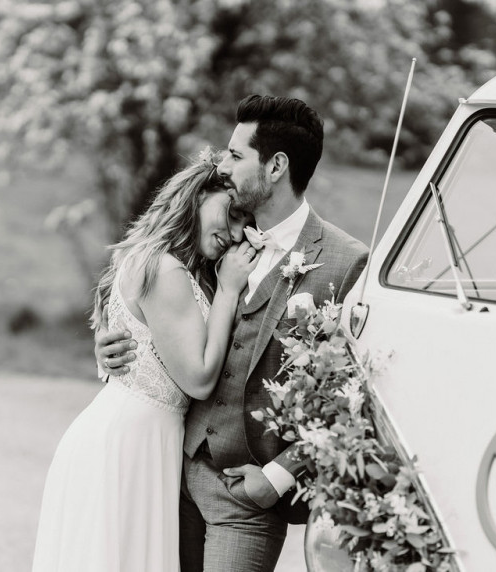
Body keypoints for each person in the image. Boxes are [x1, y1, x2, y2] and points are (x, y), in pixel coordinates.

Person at [96, 94, 369, 571]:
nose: (222, 163)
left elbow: (355, 396)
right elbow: (155, 315)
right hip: (171, 473)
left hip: (247, 498)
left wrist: (280, 476)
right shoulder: (214, 240)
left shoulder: (347, 262)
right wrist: (113, 348)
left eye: (236, 154)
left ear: (276, 166)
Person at [32, 154, 258, 572]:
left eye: (247, 223)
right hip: (128, 445)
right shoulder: (165, 268)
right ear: (198, 193)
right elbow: (200, 379)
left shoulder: (178, 265)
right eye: (232, 212)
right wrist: (227, 292)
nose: (237, 231)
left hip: (143, 438)